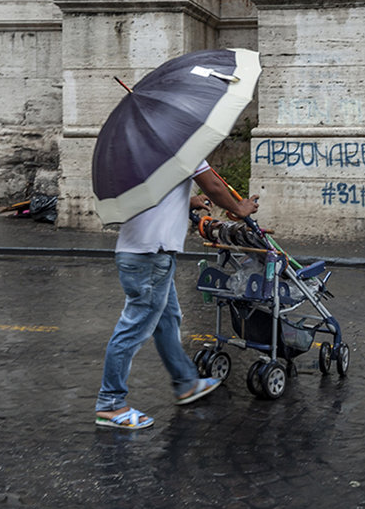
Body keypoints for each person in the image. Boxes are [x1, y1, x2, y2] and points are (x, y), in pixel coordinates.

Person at [95, 165, 259, 430]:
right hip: (151, 256)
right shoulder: (181, 141)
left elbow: (152, 198)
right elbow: (214, 186)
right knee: (134, 327)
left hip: (136, 251)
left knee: (168, 319)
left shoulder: (140, 151)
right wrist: (240, 209)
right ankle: (110, 403)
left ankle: (186, 382)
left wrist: (188, 200)